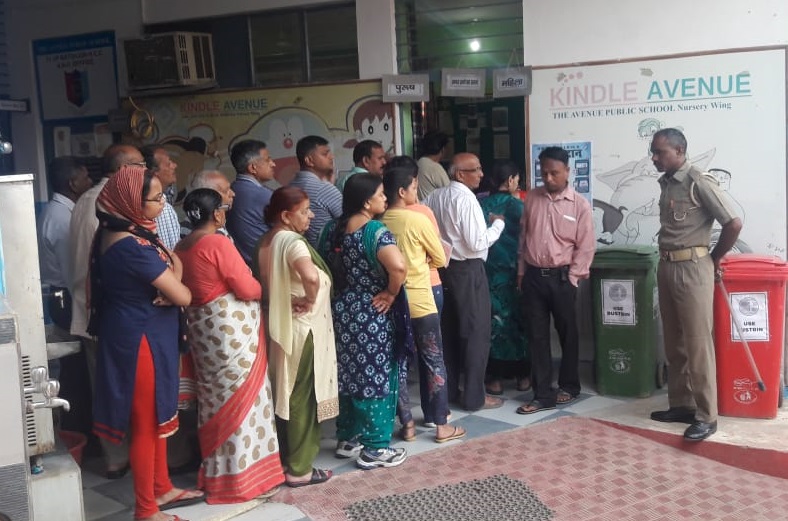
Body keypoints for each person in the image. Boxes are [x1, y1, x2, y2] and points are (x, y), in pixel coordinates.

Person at [89, 165, 203, 521]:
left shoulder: (123, 230)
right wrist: (174, 285)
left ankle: (161, 487)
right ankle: (146, 510)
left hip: (145, 333)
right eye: (155, 199)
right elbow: (184, 294)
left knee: (157, 418)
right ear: (130, 202)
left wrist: (173, 278)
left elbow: (174, 268)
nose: (161, 204)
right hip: (138, 340)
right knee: (146, 424)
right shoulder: (130, 247)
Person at [175, 189, 285, 501]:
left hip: (204, 336)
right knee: (246, 404)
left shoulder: (181, 246)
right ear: (219, 215)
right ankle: (244, 481)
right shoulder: (217, 242)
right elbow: (247, 287)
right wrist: (260, 285)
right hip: (231, 335)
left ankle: (218, 477)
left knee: (214, 402)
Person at [648, 128, 742, 442]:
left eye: (660, 152)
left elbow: (733, 222)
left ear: (679, 150)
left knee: (698, 344)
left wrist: (714, 258)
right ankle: (682, 405)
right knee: (675, 342)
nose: (655, 158)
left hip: (693, 268)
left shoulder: (698, 181)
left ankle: (707, 415)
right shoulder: (666, 184)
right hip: (668, 266)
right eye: (654, 151)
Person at [317, 173, 409, 470]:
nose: (385, 198)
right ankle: (375, 449)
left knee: (348, 375)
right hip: (373, 312)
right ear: (367, 202)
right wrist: (390, 294)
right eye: (381, 194)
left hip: (342, 312)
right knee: (377, 378)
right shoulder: (374, 230)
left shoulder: (332, 230)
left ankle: (347, 438)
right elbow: (398, 267)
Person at [255, 186, 338, 487]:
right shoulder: (292, 242)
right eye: (305, 211)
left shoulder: (266, 241)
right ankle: (300, 469)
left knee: (287, 394)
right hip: (304, 329)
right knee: (303, 396)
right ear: (286, 216)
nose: (311, 215)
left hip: (281, 328)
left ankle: (287, 458)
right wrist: (311, 298)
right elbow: (311, 276)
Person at [70, 143, 144, 479]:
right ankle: (118, 457)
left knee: (110, 385)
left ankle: (120, 455)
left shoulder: (92, 199)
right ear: (126, 168)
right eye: (142, 165)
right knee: (113, 387)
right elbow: (101, 264)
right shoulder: (104, 202)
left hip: (99, 311)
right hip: (104, 313)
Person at [381, 166, 465, 443]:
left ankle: (407, 425)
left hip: (391, 303)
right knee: (433, 361)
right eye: (415, 188)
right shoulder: (416, 220)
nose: (417, 193)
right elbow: (440, 258)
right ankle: (441, 426)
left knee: (398, 364)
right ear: (402, 191)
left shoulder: (378, 221)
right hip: (420, 301)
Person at [515, 146, 595, 415]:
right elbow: (523, 237)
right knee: (536, 336)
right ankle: (542, 394)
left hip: (563, 279)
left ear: (567, 172)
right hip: (534, 278)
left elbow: (586, 246)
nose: (548, 178)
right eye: (544, 173)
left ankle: (570, 386)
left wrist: (573, 278)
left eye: (554, 173)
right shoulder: (532, 199)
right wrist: (522, 272)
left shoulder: (580, 205)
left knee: (568, 333)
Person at [424, 153, 505, 411]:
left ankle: (449, 392)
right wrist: (498, 225)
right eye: (476, 169)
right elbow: (477, 243)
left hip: (444, 269)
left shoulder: (434, 197)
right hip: (468, 271)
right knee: (476, 333)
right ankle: (474, 397)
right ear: (460, 174)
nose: (482, 174)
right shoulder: (465, 198)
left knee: (448, 332)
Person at [478, 160, 530, 395]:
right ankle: (523, 376)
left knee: (494, 322)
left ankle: (494, 378)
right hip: (515, 271)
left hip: (488, 272)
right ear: (510, 180)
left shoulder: (480, 204)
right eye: (517, 179)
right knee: (519, 321)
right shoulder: (516, 205)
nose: (518, 183)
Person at [38, 156, 92, 331]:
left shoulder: (58, 211)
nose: (90, 182)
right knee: (77, 354)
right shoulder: (61, 218)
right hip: (67, 298)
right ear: (73, 184)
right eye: (86, 178)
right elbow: (72, 271)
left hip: (64, 295)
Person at [226, 139, 276, 264]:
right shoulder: (263, 195)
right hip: (265, 265)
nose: (273, 164)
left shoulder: (233, 188)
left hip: (243, 264)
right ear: (253, 168)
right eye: (267, 160)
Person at [289, 135, 342, 247]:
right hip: (325, 255)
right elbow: (349, 221)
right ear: (309, 160)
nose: (331, 157)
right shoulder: (324, 188)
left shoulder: (289, 186)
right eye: (325, 154)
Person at [142, 145, 181, 250]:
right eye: (168, 164)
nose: (174, 165)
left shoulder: (167, 203)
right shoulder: (162, 208)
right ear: (154, 172)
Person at [416, 131, 450, 200]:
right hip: (432, 209)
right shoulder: (435, 168)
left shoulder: (419, 163)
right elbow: (450, 192)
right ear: (443, 149)